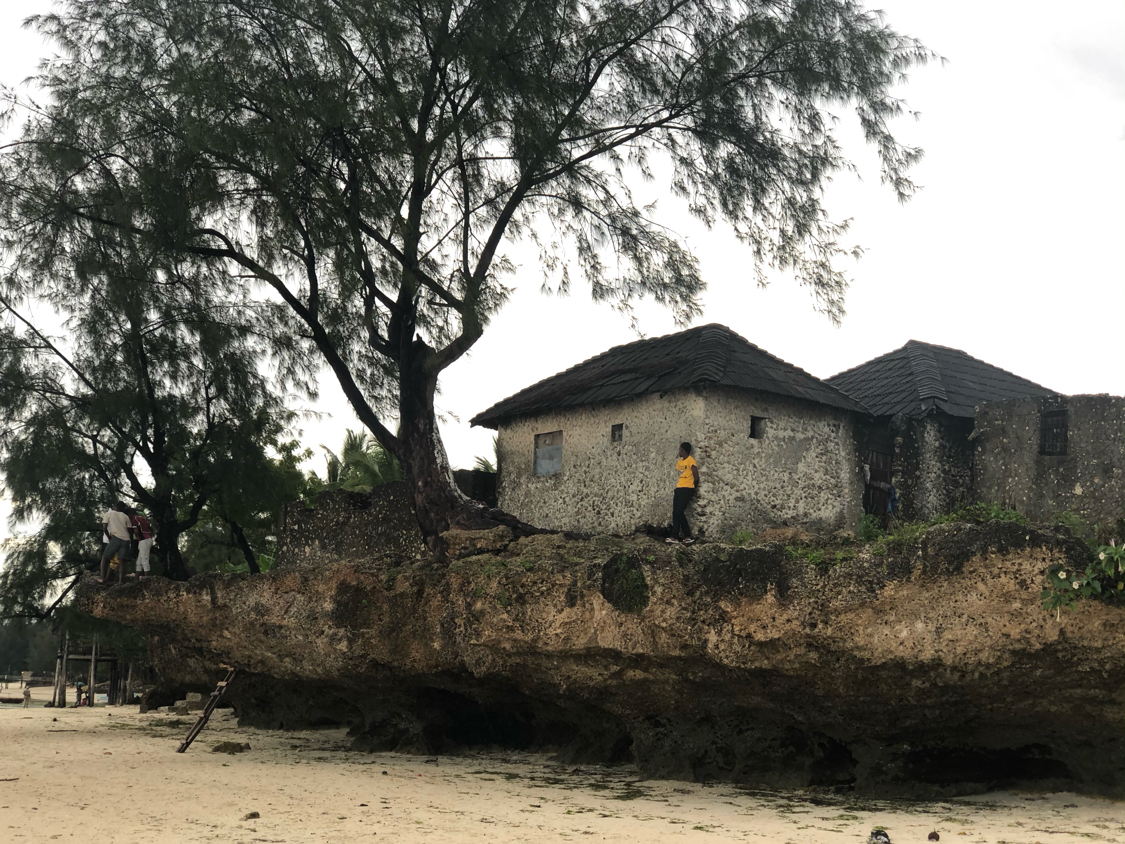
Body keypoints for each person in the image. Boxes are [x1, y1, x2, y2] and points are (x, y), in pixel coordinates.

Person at [667, 441, 700, 545]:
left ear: (683, 450)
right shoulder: (679, 462)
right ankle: (674, 536)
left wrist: (693, 487)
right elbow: (680, 475)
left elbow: (696, 476)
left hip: (687, 488)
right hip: (679, 488)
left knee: (679, 511)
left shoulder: (691, 461)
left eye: (679, 449)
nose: (678, 452)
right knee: (675, 512)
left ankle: (687, 535)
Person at [99, 501, 133, 585]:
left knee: (105, 558)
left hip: (116, 538)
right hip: (126, 539)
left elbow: (104, 528)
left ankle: (102, 578)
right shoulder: (126, 517)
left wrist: (109, 537)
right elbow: (130, 531)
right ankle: (120, 581)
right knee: (122, 561)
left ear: (114, 506)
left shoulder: (109, 514)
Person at [126, 507, 154, 578]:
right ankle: (137, 577)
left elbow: (136, 531)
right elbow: (151, 528)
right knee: (139, 560)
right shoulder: (142, 518)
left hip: (143, 540)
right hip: (147, 538)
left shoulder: (134, 519)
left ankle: (146, 577)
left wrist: (132, 535)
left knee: (144, 559)